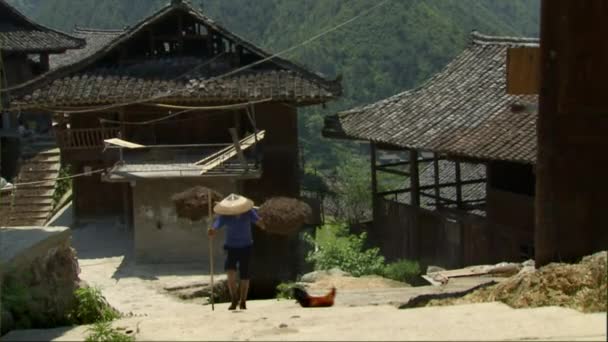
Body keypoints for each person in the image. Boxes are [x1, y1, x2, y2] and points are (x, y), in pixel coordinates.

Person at [207, 193, 263, 310]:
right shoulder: (226, 215)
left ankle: (243, 301)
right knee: (230, 272)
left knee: (244, 275)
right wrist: (213, 230)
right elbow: (217, 225)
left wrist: (265, 223)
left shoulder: (248, 212)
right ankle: (234, 299)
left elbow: (259, 222)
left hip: (246, 247)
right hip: (231, 247)